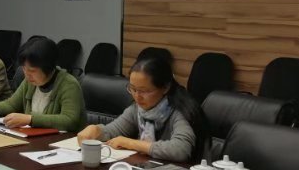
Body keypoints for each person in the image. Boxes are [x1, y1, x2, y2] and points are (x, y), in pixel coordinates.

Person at [76, 57, 208, 162]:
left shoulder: (179, 111)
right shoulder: (138, 109)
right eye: (132, 89)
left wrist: (132, 143)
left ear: (165, 88)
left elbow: (180, 150)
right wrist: (96, 130)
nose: (137, 96)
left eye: (144, 91)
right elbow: (114, 131)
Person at [0, 37, 86, 131]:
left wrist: (30, 119)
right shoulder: (30, 82)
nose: (27, 75)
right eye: (24, 69)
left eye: (32, 71)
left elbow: (69, 120)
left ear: (48, 67)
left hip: (62, 143)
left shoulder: (69, 84)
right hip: (35, 138)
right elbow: (12, 104)